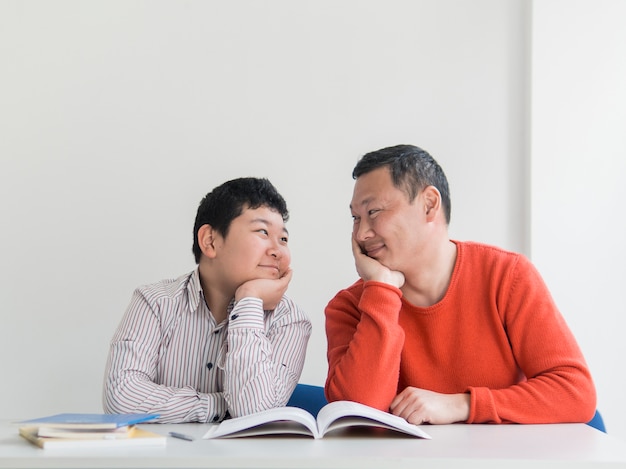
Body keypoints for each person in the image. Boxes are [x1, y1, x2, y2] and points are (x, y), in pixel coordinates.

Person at [325, 144, 596, 425]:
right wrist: (381, 290)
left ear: (429, 204)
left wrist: (461, 405)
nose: (361, 233)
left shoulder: (507, 276)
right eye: (356, 218)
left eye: (374, 212)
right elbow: (357, 414)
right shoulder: (350, 306)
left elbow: (575, 392)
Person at [103, 177, 311, 423]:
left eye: (283, 239)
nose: (278, 250)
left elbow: (256, 415)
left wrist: (249, 300)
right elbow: (120, 397)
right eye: (263, 232)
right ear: (210, 241)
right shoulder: (154, 302)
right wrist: (220, 404)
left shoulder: (291, 321)